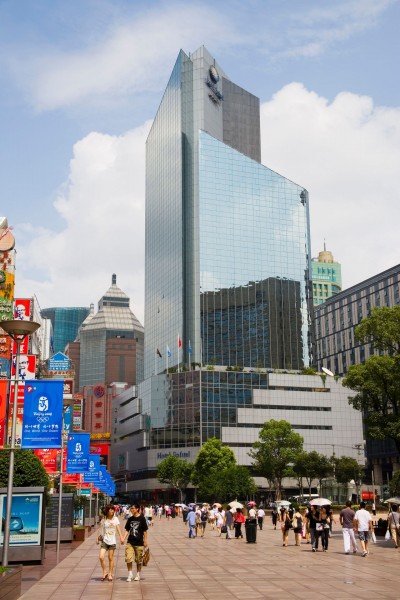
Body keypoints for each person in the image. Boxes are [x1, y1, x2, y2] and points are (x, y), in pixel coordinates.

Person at [96, 504, 124, 581]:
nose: (112, 511)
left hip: (112, 541)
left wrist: (121, 538)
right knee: (101, 557)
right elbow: (100, 529)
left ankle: (110, 574)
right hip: (105, 540)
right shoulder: (104, 519)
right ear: (107, 511)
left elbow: (118, 529)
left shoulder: (115, 519)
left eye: (113, 509)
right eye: (110, 509)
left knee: (110, 558)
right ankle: (105, 572)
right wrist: (97, 538)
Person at [122, 503, 148, 582]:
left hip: (139, 542)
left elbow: (145, 531)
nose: (132, 509)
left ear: (137, 509)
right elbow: (127, 530)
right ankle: (130, 574)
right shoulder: (130, 519)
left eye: (133, 508)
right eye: (131, 508)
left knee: (138, 560)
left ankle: (138, 574)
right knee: (128, 558)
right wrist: (123, 538)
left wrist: (145, 541)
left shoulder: (142, 518)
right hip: (130, 542)